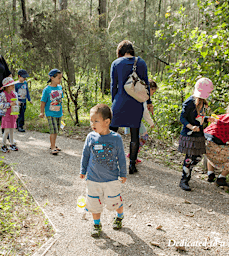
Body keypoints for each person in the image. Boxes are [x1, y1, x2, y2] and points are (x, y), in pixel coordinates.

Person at [80, 104, 127, 238]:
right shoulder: (90, 137)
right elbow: (85, 155)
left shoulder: (116, 138)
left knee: (115, 202)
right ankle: (96, 224)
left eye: (96, 121)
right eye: (91, 120)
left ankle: (119, 216)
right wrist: (83, 170)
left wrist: (123, 173)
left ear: (107, 122)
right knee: (94, 203)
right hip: (93, 179)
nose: (92, 124)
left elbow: (121, 158)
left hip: (111, 179)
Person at [110, 40, 152, 174]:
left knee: (111, 132)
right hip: (136, 103)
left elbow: (113, 86)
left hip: (120, 102)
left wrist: (114, 102)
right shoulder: (141, 62)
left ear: (120, 51)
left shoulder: (116, 63)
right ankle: (132, 165)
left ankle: (109, 160)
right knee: (134, 135)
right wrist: (149, 101)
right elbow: (146, 84)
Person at [178, 77, 216, 191]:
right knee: (189, 157)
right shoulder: (190, 102)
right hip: (189, 134)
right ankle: (184, 180)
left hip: (199, 135)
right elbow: (182, 118)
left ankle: (187, 171)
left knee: (198, 157)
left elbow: (199, 117)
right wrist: (191, 126)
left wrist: (208, 118)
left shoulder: (204, 103)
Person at [125, 80, 158, 164]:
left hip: (132, 117)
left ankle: (133, 156)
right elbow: (145, 112)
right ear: (150, 89)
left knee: (136, 138)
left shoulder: (139, 93)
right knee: (144, 137)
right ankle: (132, 155)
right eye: (153, 92)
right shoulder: (143, 96)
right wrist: (151, 123)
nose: (152, 94)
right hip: (134, 119)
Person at [39, 69, 63, 155]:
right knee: (53, 131)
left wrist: (62, 109)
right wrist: (42, 112)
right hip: (50, 113)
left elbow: (60, 100)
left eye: (61, 78)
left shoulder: (60, 88)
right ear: (52, 78)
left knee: (56, 130)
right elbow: (43, 101)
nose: (60, 80)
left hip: (58, 113)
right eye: (59, 78)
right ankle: (52, 147)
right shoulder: (47, 89)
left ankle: (54, 144)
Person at [0, 77, 20, 153]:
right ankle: (3, 144)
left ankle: (12, 143)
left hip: (13, 114)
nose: (13, 86)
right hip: (6, 114)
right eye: (11, 85)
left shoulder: (14, 94)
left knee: (12, 130)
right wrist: (9, 104)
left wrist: (16, 112)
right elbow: (0, 105)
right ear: (7, 86)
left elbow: (16, 104)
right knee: (6, 130)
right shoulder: (2, 95)